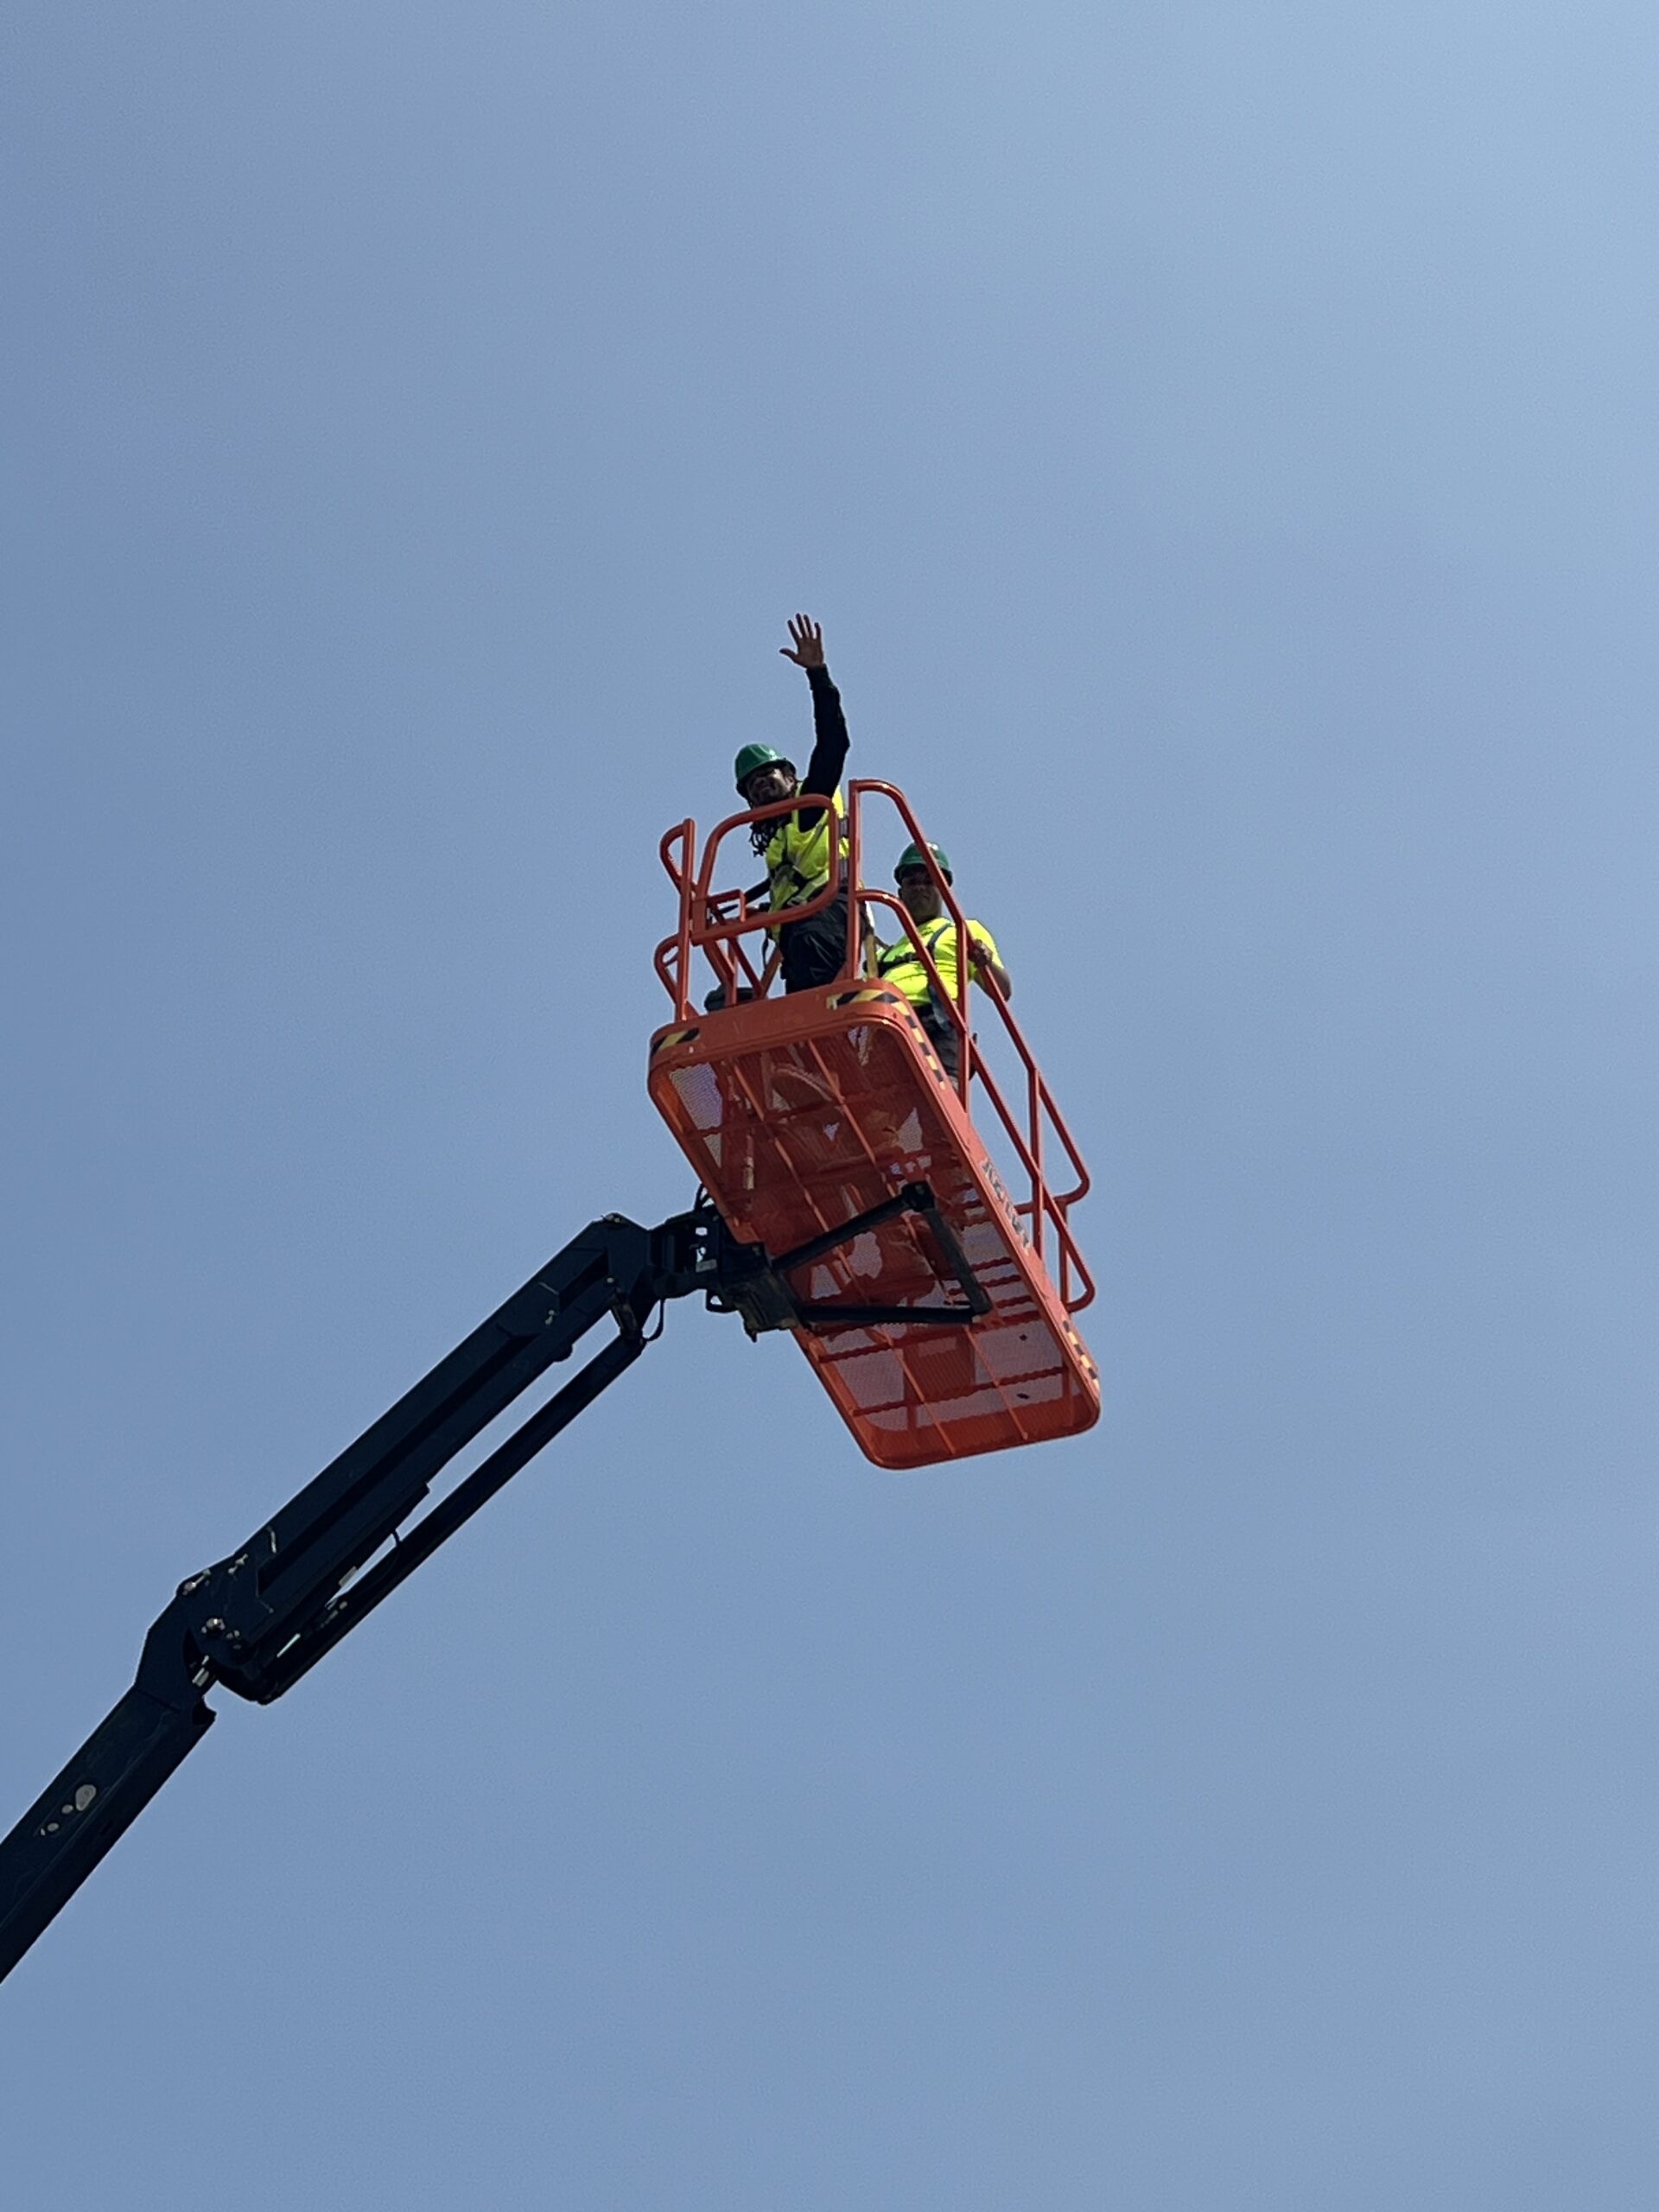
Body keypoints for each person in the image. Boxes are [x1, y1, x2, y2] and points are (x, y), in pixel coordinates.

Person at [730, 613, 852, 993]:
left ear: (791, 776)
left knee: (809, 974)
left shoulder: (811, 804)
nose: (762, 787)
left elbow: (834, 743)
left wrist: (818, 675)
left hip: (829, 914)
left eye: (769, 776)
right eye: (753, 786)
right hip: (799, 931)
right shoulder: (779, 842)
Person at [876, 842, 1011, 1080]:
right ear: (900, 893)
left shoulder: (963, 930)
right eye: (912, 882)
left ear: (944, 891)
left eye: (929, 881)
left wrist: (984, 962)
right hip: (889, 1029)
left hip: (936, 1029)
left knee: (941, 1095)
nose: (920, 888)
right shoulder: (885, 954)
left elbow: (1002, 990)